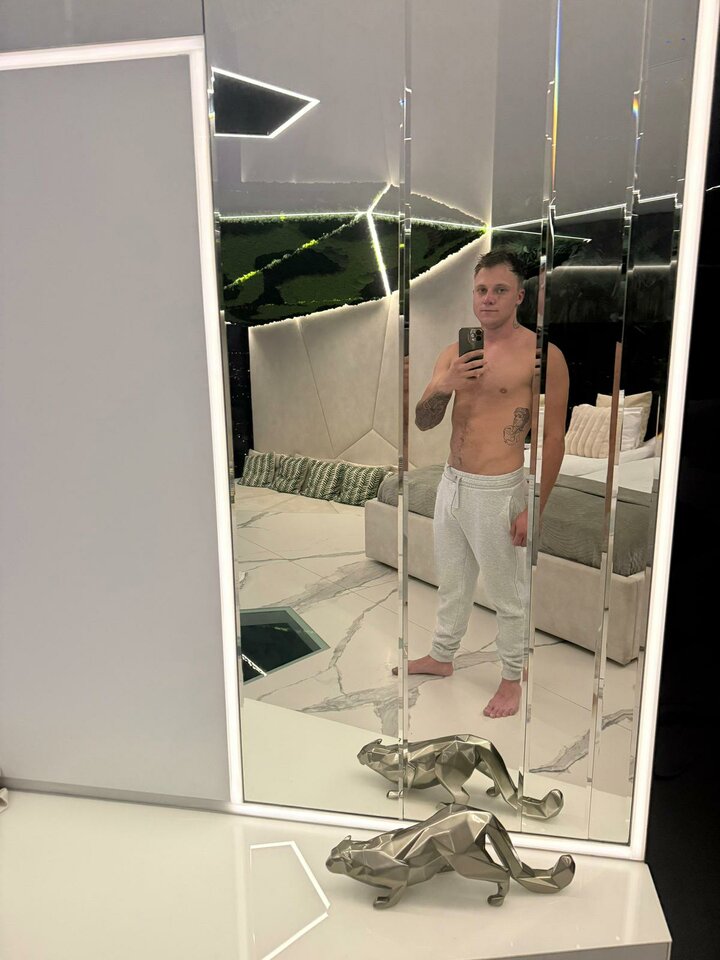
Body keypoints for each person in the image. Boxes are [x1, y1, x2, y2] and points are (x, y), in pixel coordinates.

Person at [397, 249, 569, 718]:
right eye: (480, 290)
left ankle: (512, 679)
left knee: (507, 594)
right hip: (451, 483)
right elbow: (424, 421)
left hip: (497, 489)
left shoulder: (543, 355)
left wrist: (534, 505)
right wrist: (444, 384)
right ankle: (442, 656)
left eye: (499, 290)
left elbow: (554, 438)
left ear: (519, 296)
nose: (488, 298)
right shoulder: (454, 353)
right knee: (452, 582)